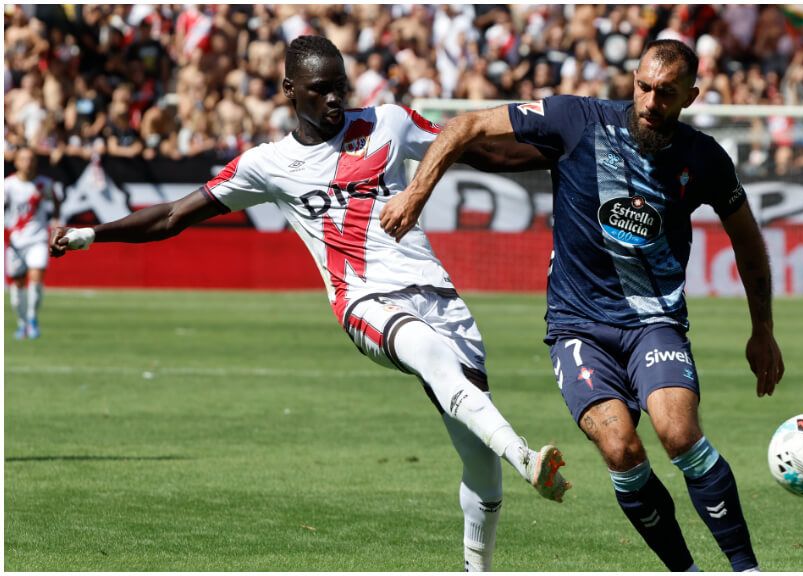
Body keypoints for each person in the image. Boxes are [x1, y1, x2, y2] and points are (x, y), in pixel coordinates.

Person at [49, 35, 569, 572]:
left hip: (438, 295)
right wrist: (95, 234)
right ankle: (528, 457)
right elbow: (173, 215)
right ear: (289, 90)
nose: (334, 101)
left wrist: (563, 155)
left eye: (340, 88)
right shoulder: (267, 164)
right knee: (426, 353)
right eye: (320, 91)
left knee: (480, 469)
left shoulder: (387, 122)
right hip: (363, 302)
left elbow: (474, 148)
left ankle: (477, 566)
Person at [382, 39, 784, 572]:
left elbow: (748, 241)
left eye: (666, 93)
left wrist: (763, 330)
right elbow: (467, 126)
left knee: (679, 435)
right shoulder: (577, 118)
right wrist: (415, 194)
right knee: (620, 450)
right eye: (643, 86)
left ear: (691, 94)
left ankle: (746, 569)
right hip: (578, 328)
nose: (649, 102)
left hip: (654, 321)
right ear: (632, 79)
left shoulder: (704, 157)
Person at [5, 147, 60, 339]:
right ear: (16, 162)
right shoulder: (8, 185)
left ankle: (32, 319)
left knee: (36, 277)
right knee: (17, 285)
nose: (27, 163)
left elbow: (55, 201)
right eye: (23, 159)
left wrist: (55, 221)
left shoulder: (43, 184)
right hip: (15, 242)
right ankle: (21, 324)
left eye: (31, 159)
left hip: (37, 239)